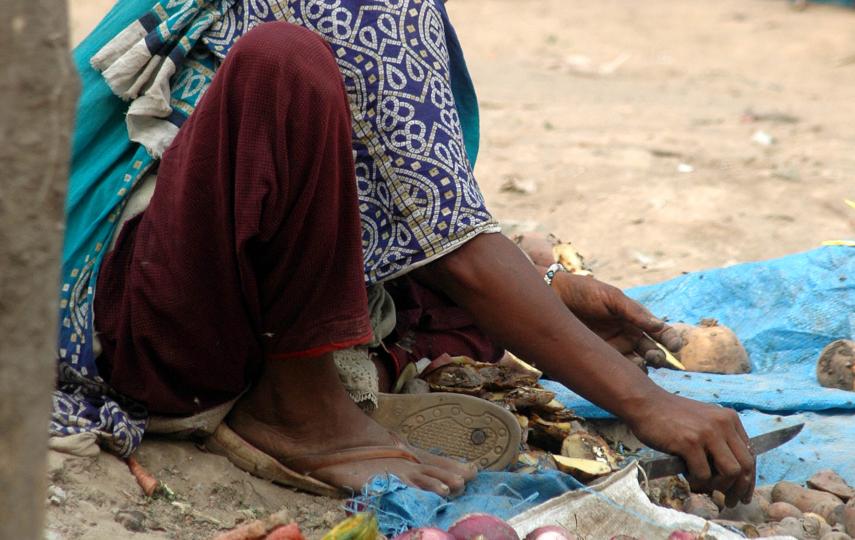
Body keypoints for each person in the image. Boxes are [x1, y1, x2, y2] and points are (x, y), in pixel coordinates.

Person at [55, 0, 754, 504]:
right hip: (140, 334)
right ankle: (296, 411)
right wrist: (647, 402)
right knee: (283, 65)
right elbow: (460, 256)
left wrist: (545, 289)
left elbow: (403, 203)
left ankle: (333, 378)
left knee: (461, 303)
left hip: (180, 271)